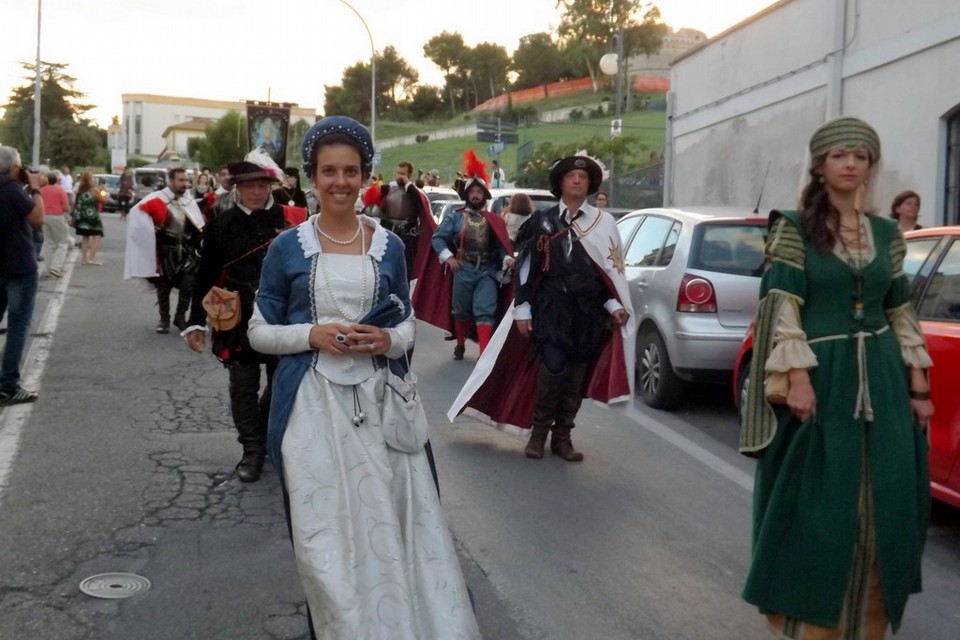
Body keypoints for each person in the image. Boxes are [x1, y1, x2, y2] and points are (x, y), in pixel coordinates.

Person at [247, 115, 480, 640]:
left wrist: (386, 341)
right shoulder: (287, 247)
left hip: (380, 410)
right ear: (311, 176)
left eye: (350, 171)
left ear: (365, 176)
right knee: (323, 541)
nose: (340, 182)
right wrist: (312, 334)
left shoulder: (388, 247)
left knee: (397, 529)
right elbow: (259, 331)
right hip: (310, 409)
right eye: (328, 171)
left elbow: (404, 329)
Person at [739, 116, 934, 639]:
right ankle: (809, 627)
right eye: (840, 155)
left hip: (886, 384)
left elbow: (899, 312)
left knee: (886, 502)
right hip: (823, 384)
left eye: (861, 155)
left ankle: (865, 626)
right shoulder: (793, 226)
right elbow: (782, 304)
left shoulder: (888, 234)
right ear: (820, 166)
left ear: (871, 165)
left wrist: (918, 388)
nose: (851, 164)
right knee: (820, 510)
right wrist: (798, 378)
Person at [448, 152, 635, 462]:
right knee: (554, 363)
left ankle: (563, 437)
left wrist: (614, 303)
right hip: (551, 305)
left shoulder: (605, 224)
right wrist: (523, 307)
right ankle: (538, 434)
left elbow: (609, 273)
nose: (577, 180)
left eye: (583, 177)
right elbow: (526, 269)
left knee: (576, 370)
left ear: (590, 185)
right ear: (560, 183)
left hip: (588, 310)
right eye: (570, 176)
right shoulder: (542, 221)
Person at [184, 150, 296, 483]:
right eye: (250, 186)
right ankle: (252, 450)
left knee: (283, 384)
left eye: (263, 185)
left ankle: (263, 436)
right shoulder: (221, 224)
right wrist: (194, 322)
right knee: (242, 388)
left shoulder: (290, 221)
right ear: (238, 188)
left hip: (282, 316)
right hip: (237, 317)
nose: (257, 192)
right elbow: (204, 277)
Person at [419, 150, 514, 360]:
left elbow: (501, 246)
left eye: (480, 191)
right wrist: (448, 257)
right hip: (463, 269)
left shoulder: (494, 220)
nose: (476, 194)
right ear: (467, 195)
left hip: (488, 271)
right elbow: (438, 239)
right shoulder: (455, 217)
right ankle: (460, 344)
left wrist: (507, 259)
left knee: (485, 310)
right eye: (473, 191)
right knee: (460, 311)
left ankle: (484, 354)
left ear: (485, 195)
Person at [131, 168, 205, 333]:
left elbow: (197, 226)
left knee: (188, 285)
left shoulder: (189, 201)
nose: (184, 183)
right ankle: (164, 319)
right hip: (166, 251)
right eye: (180, 180)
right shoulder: (158, 199)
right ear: (171, 181)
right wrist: (153, 228)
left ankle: (180, 317)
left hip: (186, 251)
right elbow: (138, 219)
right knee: (163, 286)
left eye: (186, 180)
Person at [0, 146, 45, 405]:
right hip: (18, 267)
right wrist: (36, 188)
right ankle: (8, 385)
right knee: (18, 325)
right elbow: (38, 217)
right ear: (14, 169)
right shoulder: (12, 189)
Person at [376, 160, 432, 279]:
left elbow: (419, 204)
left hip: (407, 235)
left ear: (409, 175)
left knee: (405, 270)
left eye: (403, 174)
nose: (399, 176)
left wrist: (408, 185)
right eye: (398, 173)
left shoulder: (415, 192)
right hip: (389, 232)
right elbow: (378, 211)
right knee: (387, 268)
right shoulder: (389, 190)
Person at [39, 169, 71, 279]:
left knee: (48, 242)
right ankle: (56, 267)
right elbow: (65, 206)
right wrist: (68, 211)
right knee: (62, 242)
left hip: (44, 216)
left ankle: (48, 268)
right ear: (57, 180)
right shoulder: (60, 190)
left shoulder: (42, 190)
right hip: (57, 216)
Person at [72, 172, 105, 265]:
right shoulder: (94, 190)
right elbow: (103, 200)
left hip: (82, 217)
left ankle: (84, 259)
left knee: (85, 237)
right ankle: (91, 257)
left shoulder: (81, 190)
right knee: (97, 235)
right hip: (93, 216)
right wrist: (104, 191)